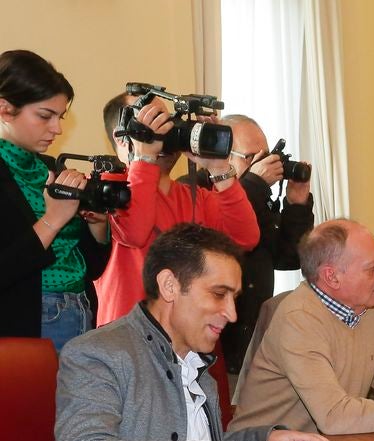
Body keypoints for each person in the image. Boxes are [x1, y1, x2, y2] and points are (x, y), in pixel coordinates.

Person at [48, 223, 333, 441]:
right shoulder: (98, 353)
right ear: (169, 286)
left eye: (234, 298)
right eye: (218, 294)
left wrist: (262, 440)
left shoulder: (195, 361)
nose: (232, 313)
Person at [229, 219, 374, 434]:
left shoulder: (373, 307)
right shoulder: (299, 319)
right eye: (371, 267)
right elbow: (334, 416)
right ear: (332, 277)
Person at [93, 91, 260, 326]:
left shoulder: (195, 196)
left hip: (192, 345)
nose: (163, 130)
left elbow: (245, 239)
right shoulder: (106, 190)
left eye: (166, 121)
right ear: (122, 138)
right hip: (128, 349)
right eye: (150, 121)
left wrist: (218, 167)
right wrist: (144, 157)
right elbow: (135, 232)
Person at [0, 49, 110, 349]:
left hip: (80, 310)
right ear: (4, 108)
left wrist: (97, 226)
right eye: (45, 116)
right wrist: (53, 218)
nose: (57, 129)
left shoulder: (49, 168)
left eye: (60, 117)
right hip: (23, 324)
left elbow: (92, 267)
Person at [211, 114, 315, 374]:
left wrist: (296, 205)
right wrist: (254, 185)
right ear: (223, 156)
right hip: (217, 345)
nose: (265, 165)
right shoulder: (199, 192)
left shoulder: (260, 198)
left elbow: (289, 258)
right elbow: (219, 244)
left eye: (267, 156)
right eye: (251, 158)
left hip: (254, 345)